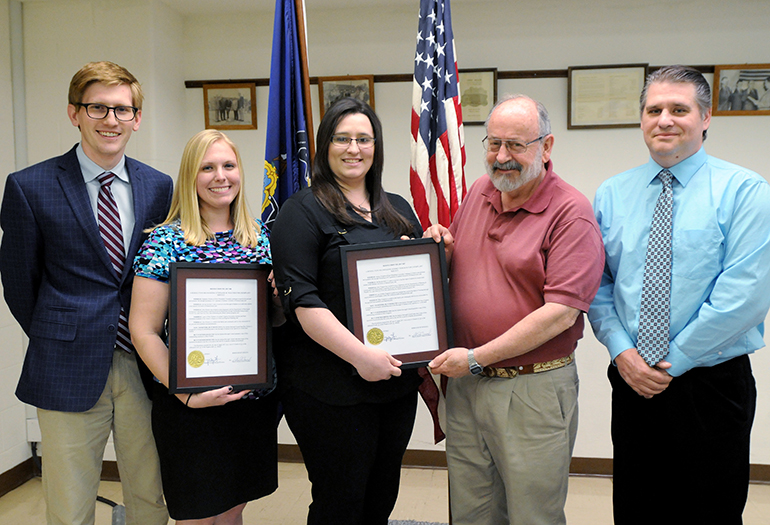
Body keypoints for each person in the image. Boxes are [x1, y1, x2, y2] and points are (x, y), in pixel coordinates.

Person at [588, 65, 770, 525]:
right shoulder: (611, 194)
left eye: (679, 109)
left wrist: (673, 361)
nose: (664, 119)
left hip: (710, 385)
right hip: (631, 381)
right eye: (654, 109)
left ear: (706, 118)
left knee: (710, 512)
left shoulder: (745, 191)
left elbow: (745, 294)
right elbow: (596, 284)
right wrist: (622, 350)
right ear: (642, 118)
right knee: (636, 508)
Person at [0, 61, 171, 525]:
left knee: (150, 495)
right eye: (98, 107)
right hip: (66, 366)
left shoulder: (159, 187)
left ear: (137, 117)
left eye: (122, 109)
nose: (110, 120)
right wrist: (62, 332)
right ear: (74, 113)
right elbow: (18, 281)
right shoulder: (29, 186)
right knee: (71, 503)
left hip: (145, 364)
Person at [424, 94, 605, 524]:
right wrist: (438, 250)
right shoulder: (479, 192)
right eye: (493, 143)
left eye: (517, 145)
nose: (502, 157)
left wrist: (474, 358)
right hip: (468, 387)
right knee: (471, 510)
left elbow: (560, 312)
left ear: (546, 147)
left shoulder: (570, 213)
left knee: (531, 514)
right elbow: (466, 270)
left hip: (532, 390)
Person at [271, 97, 424, 525]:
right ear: (324, 146)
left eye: (363, 138)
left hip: (393, 383)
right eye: (342, 138)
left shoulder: (398, 209)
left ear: (376, 146)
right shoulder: (301, 211)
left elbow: (416, 287)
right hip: (327, 388)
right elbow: (301, 300)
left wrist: (436, 255)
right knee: (341, 501)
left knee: (381, 497)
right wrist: (360, 356)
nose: (353, 148)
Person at [129, 129, 279, 524]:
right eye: (207, 168)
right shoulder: (164, 241)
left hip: (250, 404)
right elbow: (143, 331)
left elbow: (270, 318)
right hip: (191, 408)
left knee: (233, 510)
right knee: (196, 514)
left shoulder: (260, 237)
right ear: (189, 177)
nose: (220, 176)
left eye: (228, 165)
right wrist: (186, 396)